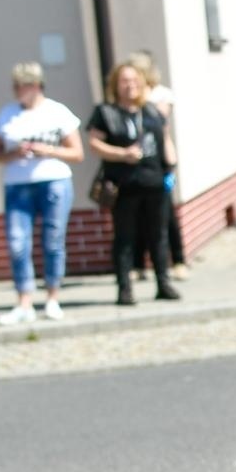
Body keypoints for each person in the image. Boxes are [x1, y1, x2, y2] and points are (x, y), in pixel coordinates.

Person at [0, 62, 82, 325]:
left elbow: (77, 153)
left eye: (24, 85)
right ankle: (24, 303)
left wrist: (48, 150)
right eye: (16, 85)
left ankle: (52, 298)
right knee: (18, 243)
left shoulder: (57, 112)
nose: (18, 90)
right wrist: (13, 153)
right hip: (17, 185)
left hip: (53, 181)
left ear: (37, 85)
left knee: (53, 241)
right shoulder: (7, 114)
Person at [87, 62, 178, 306]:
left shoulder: (150, 111)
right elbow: (94, 145)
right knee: (124, 238)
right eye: (125, 81)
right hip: (124, 184)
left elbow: (165, 138)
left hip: (153, 181)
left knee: (158, 235)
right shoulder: (106, 112)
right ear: (116, 85)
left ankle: (163, 282)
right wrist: (122, 154)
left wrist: (172, 161)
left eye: (134, 81)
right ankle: (124, 289)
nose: (130, 86)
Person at [124, 51, 189, 283]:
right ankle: (139, 265)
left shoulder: (160, 94)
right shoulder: (129, 97)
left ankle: (179, 260)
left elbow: (160, 122)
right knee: (139, 218)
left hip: (159, 163)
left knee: (166, 216)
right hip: (135, 167)